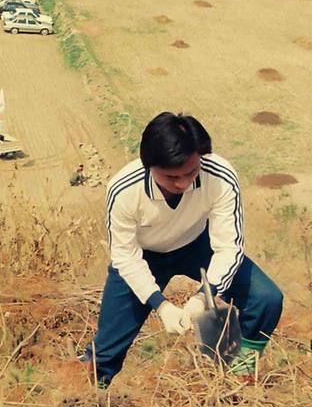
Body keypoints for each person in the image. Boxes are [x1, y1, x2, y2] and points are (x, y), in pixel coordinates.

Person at [82, 112, 283, 387]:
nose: (182, 183)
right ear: (148, 166)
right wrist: (161, 306)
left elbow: (228, 246)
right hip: (144, 256)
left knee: (267, 299)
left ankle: (240, 377)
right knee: (106, 348)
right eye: (171, 177)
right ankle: (88, 398)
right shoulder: (124, 189)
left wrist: (204, 297)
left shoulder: (219, 175)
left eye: (190, 172)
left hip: (198, 247)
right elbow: (125, 256)